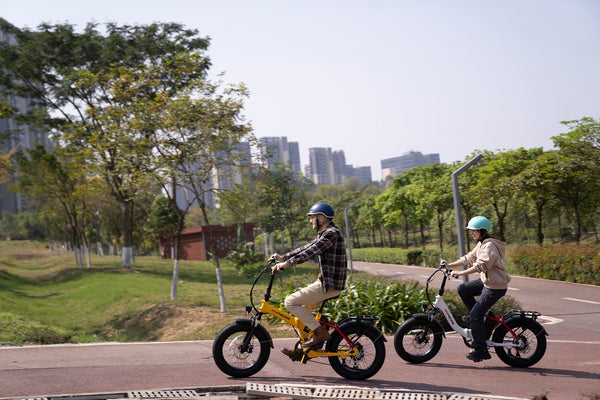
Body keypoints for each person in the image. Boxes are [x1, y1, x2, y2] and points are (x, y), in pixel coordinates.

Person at [271, 202, 347, 357]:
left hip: (329, 285)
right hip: (325, 283)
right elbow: (306, 247)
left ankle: (320, 332)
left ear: (322, 218)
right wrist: (283, 257)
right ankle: (304, 350)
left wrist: (287, 263)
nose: (311, 221)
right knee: (304, 313)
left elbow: (311, 252)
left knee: (290, 302)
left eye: (313, 218)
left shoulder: (331, 233)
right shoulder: (324, 233)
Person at [443, 216, 511, 363]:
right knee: (463, 289)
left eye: (473, 231)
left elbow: (482, 266)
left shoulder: (489, 246)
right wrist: (450, 264)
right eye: (470, 231)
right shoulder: (482, 244)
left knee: (475, 315)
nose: (471, 234)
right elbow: (469, 258)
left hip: (495, 286)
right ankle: (483, 318)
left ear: (481, 231)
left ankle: (481, 350)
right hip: (487, 282)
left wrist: (460, 273)